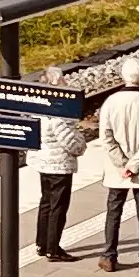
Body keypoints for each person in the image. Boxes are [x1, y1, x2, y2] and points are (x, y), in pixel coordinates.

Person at [94, 55, 139, 273]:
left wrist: (122, 164)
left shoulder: (110, 102)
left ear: (122, 78)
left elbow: (106, 137)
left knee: (113, 210)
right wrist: (134, 165)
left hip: (117, 171)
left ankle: (109, 256)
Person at [32, 95, 89, 260]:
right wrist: (81, 145)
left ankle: (41, 244)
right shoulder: (57, 113)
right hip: (59, 165)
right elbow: (69, 141)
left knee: (46, 204)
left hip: (43, 163)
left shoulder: (39, 107)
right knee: (58, 207)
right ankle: (53, 249)